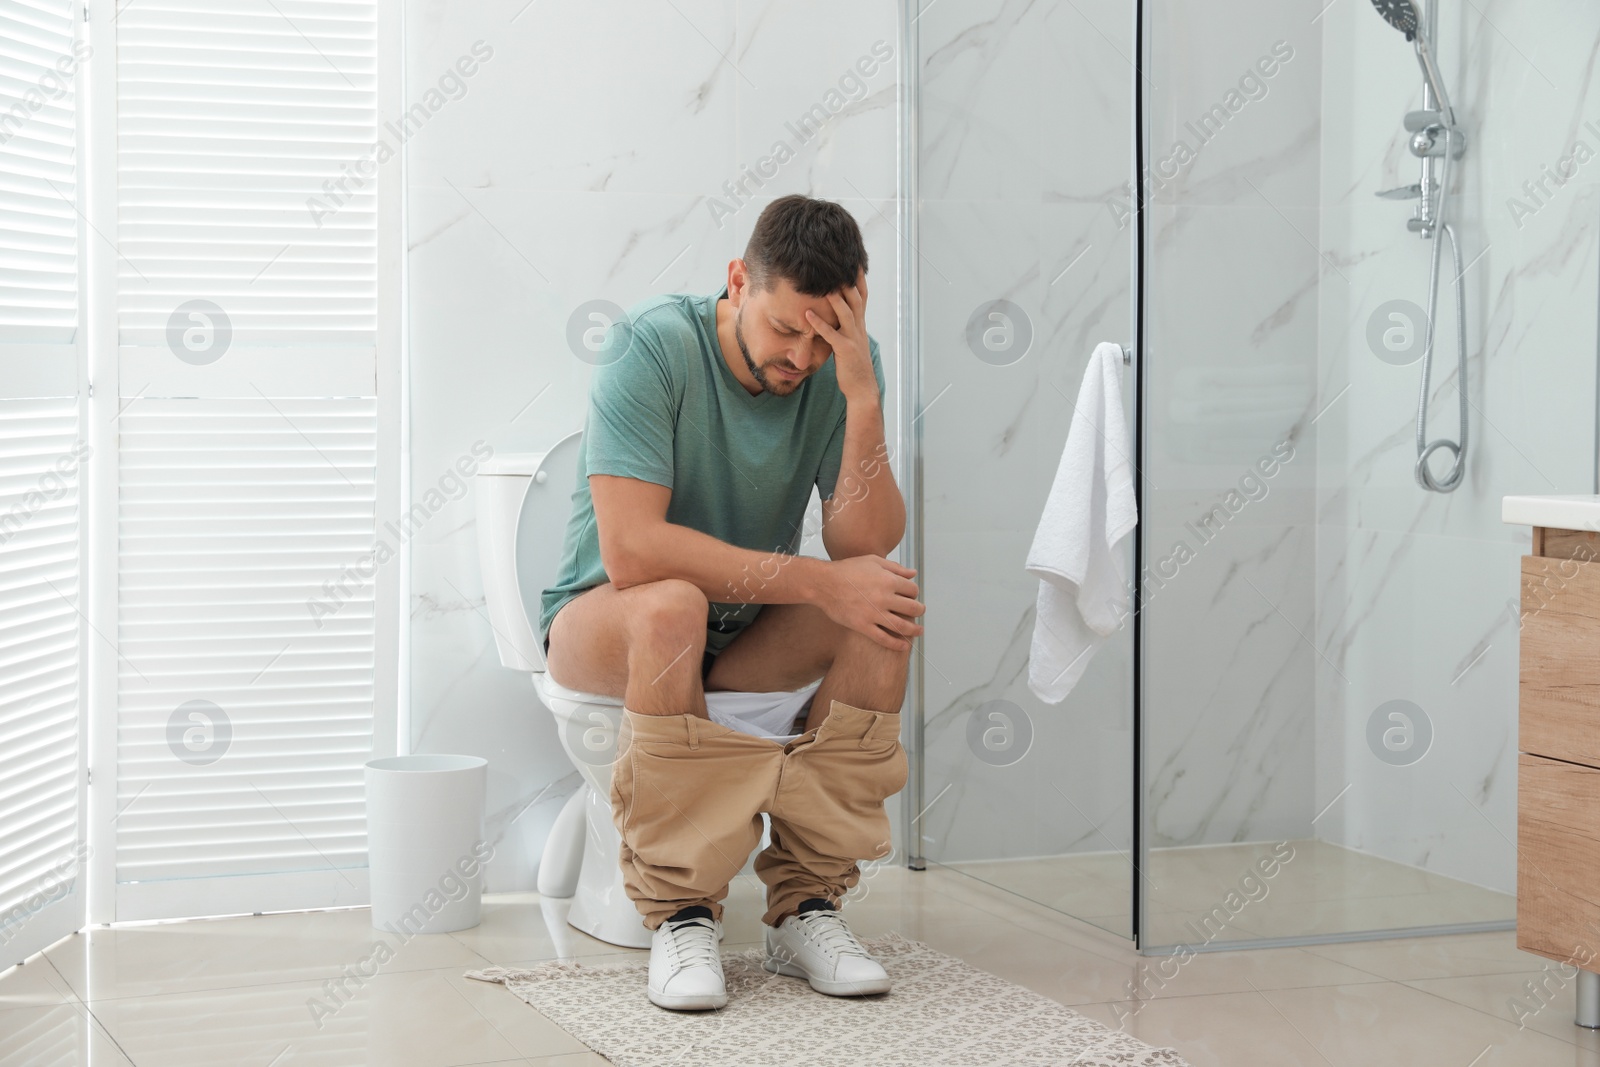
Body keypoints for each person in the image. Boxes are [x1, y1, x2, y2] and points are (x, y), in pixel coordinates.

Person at [538, 194, 923, 1010]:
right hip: (605, 619)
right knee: (672, 603)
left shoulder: (842, 368)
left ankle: (806, 904)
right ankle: (682, 911)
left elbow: (865, 544)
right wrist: (819, 582)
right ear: (739, 280)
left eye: (825, 338)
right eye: (787, 330)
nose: (802, 357)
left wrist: (862, 398)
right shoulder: (654, 345)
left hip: (737, 635)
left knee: (883, 604)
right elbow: (632, 551)